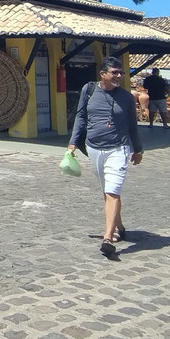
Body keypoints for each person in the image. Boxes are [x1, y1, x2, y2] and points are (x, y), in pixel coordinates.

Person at [67, 57, 143, 258]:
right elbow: (81, 116)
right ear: (103, 74)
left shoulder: (126, 97)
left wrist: (138, 149)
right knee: (106, 190)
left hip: (119, 148)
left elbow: (133, 125)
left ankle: (108, 238)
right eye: (114, 72)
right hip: (94, 148)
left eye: (121, 72)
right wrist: (73, 141)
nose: (119, 76)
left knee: (113, 190)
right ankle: (119, 226)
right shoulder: (89, 90)